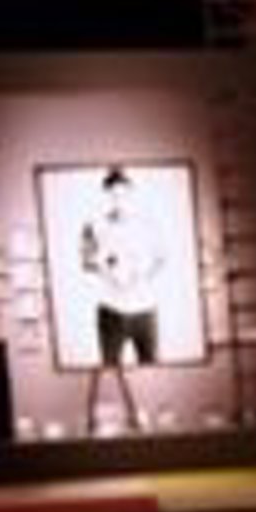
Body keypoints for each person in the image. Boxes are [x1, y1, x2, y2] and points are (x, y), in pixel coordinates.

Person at [80, 163, 167, 428]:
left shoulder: (148, 224)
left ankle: (154, 425)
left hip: (144, 308)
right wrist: (107, 268)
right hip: (111, 309)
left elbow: (161, 258)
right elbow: (86, 260)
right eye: (113, 194)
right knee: (110, 372)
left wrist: (141, 274)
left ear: (131, 193)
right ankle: (121, 424)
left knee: (151, 372)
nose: (118, 199)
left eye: (123, 193)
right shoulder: (93, 225)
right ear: (105, 194)